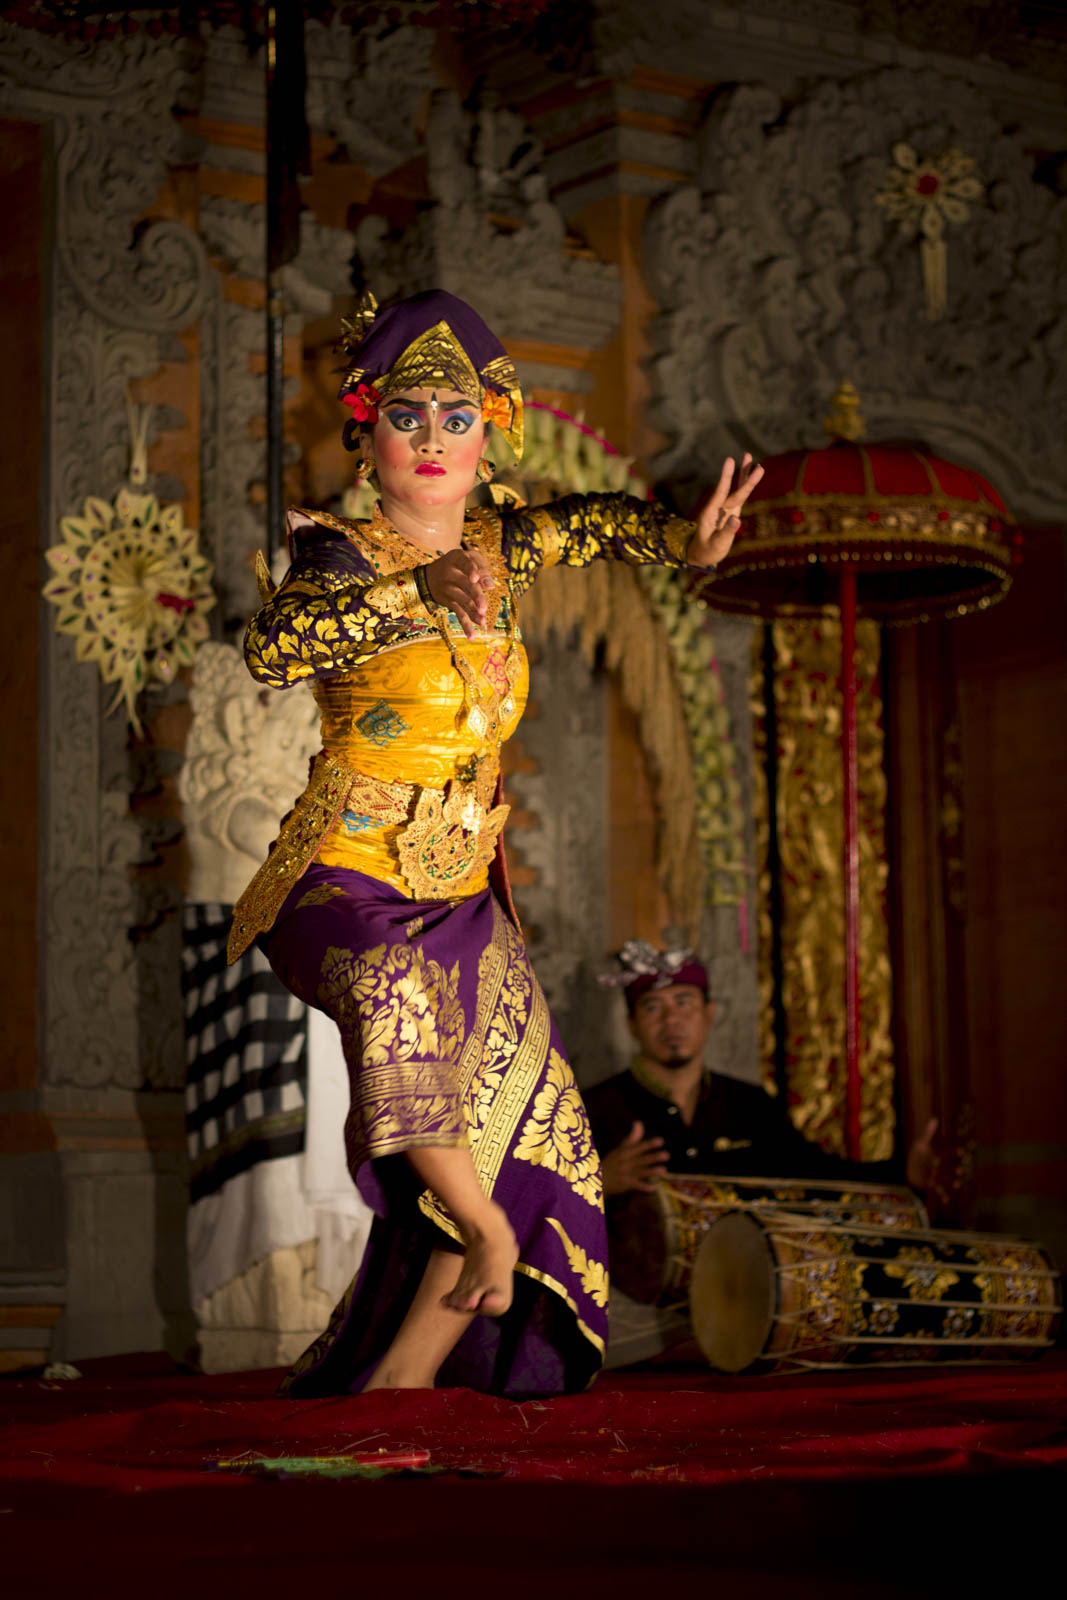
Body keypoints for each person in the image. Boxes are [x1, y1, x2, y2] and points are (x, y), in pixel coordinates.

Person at [226, 290, 765, 1397]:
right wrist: (412, 591)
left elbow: (602, 523)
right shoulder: (337, 551)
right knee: (394, 997)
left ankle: (399, 1390)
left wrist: (685, 540)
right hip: (343, 875)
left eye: (457, 418)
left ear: (489, 433)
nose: (432, 438)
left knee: (525, 1125)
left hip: (462, 891)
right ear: (367, 429)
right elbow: (275, 648)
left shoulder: (501, 541)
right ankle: (483, 1231)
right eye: (407, 415)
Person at [585, 941, 938, 1199]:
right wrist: (598, 1182)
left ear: (710, 1014)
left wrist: (901, 1173)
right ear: (632, 1024)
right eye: (653, 1007)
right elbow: (549, 1212)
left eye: (684, 1002)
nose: (671, 1020)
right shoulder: (591, 1109)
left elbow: (816, 1172)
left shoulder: (748, 1104)